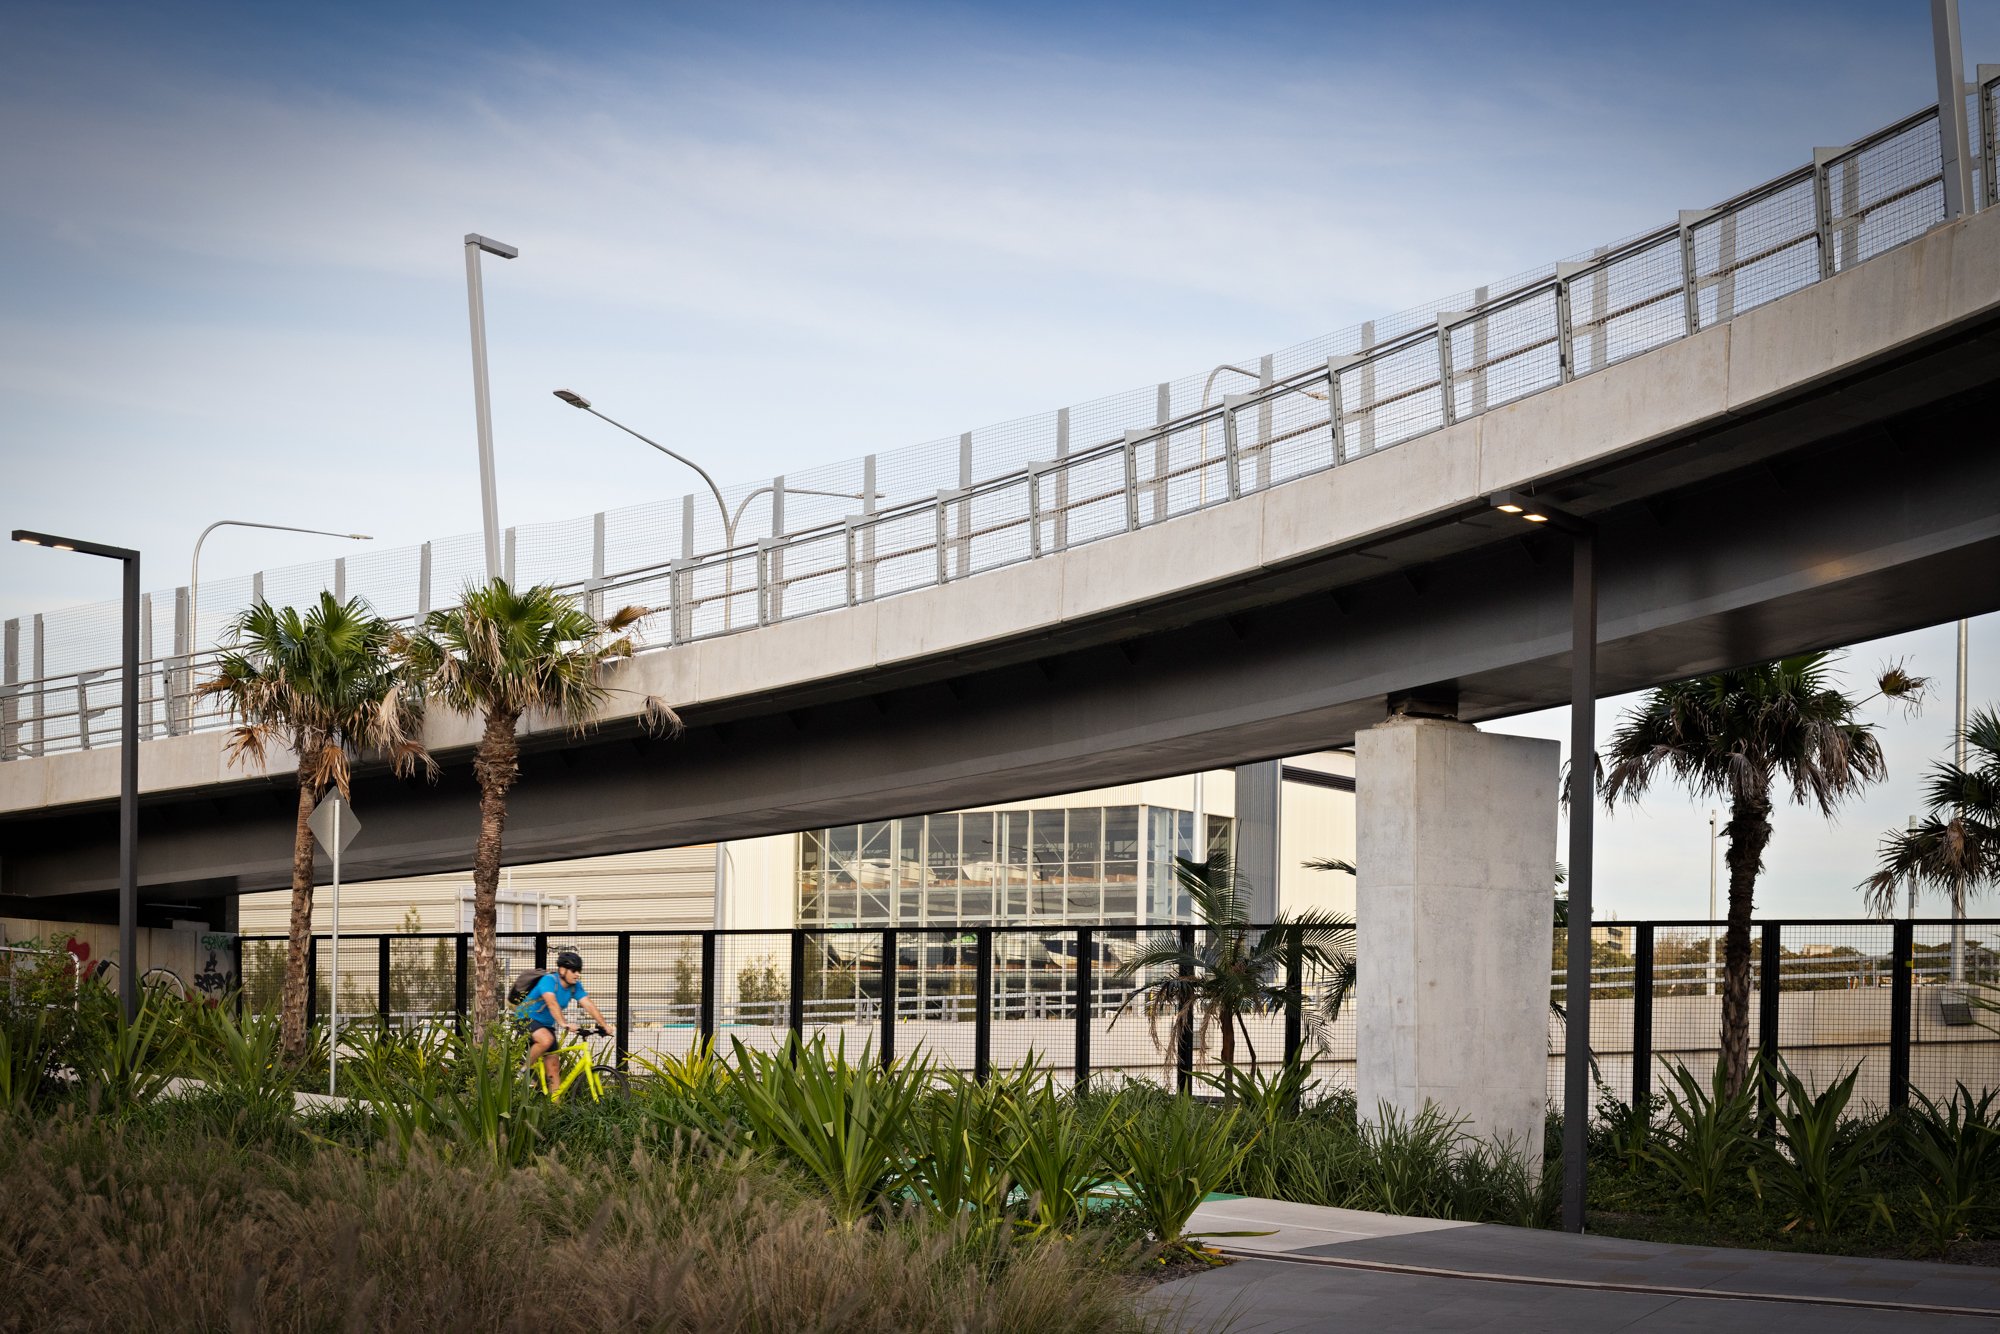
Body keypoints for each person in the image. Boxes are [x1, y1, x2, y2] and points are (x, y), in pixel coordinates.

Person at [516, 950, 611, 1091]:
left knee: (554, 1069)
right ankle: (523, 1071)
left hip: (545, 1025)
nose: (577, 974)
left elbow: (588, 1004)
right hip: (525, 1018)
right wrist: (564, 1023)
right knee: (546, 1040)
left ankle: (555, 1108)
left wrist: (605, 1025)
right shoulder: (549, 981)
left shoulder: (575, 987)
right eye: (573, 971)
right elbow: (551, 1002)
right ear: (562, 970)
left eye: (579, 971)